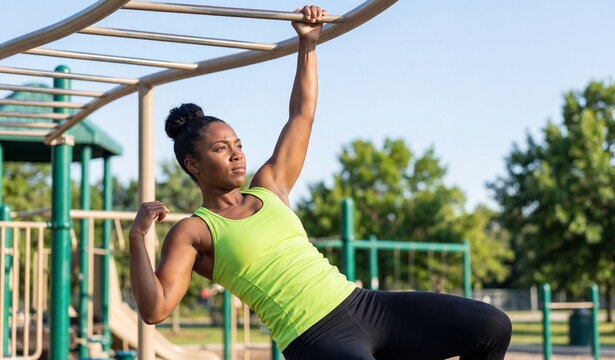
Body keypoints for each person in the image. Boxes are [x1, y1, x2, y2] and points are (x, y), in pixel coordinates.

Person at [129, 5, 512, 360]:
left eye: (238, 144)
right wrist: (136, 239)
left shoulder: (270, 185)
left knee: (492, 327)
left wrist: (307, 42)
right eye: (221, 148)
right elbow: (155, 309)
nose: (237, 154)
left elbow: (302, 114)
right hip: (313, 337)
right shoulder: (193, 231)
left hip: (362, 305)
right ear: (193, 164)